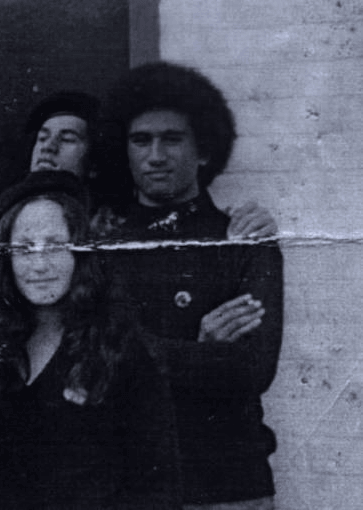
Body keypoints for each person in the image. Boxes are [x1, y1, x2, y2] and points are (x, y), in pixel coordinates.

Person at [100, 61, 284, 509]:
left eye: (172, 139)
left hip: (230, 485)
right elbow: (97, 360)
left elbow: (252, 369)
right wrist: (203, 349)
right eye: (141, 141)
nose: (155, 155)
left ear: (204, 150)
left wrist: (145, 351)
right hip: (133, 486)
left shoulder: (243, 240)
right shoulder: (105, 246)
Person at [0, 170, 181, 509]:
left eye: (55, 246)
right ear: (5, 260)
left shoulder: (121, 349)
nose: (39, 265)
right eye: (24, 249)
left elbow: (157, 486)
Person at [23, 90, 277, 240]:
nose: (49, 146)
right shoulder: (2, 224)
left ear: (94, 165)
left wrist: (249, 225)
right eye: (42, 138)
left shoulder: (116, 230)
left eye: (68, 139)